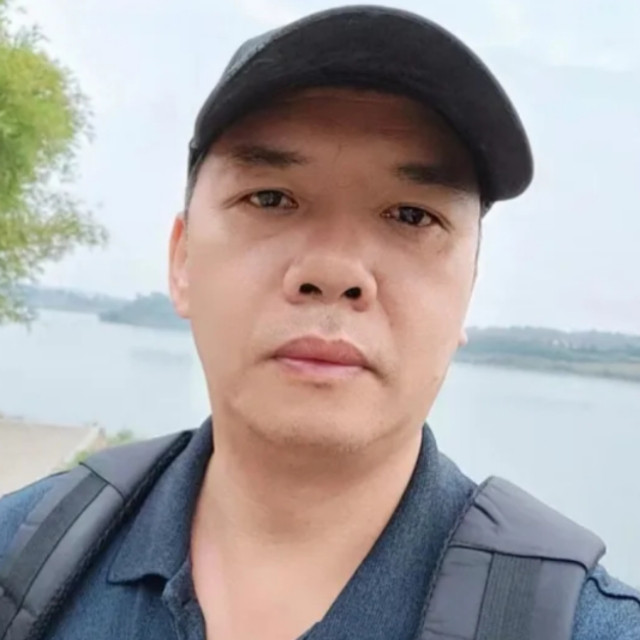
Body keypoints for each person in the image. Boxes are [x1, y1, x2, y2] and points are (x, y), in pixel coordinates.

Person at [1, 6, 639, 640]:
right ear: (182, 261)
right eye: (270, 198)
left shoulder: (586, 628)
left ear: (468, 292)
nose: (334, 272)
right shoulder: (23, 560)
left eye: (412, 215)